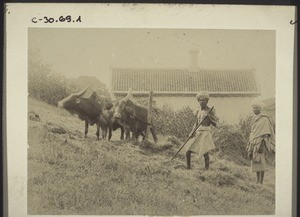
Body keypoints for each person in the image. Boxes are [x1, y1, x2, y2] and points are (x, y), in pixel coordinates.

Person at [185, 91, 218, 170]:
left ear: (207, 101)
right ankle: (188, 167)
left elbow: (215, 124)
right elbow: (196, 123)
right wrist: (191, 132)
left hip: (206, 133)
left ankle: (207, 169)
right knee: (188, 150)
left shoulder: (211, 111)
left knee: (205, 152)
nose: (201, 102)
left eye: (203, 100)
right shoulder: (198, 111)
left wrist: (209, 118)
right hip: (198, 132)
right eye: (200, 100)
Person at [246, 97, 275, 184]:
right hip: (253, 142)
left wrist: (262, 145)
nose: (255, 109)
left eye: (257, 108)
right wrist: (250, 142)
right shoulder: (254, 118)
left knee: (261, 162)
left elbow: (266, 133)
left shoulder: (264, 119)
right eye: (254, 108)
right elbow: (252, 132)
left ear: (260, 108)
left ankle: (261, 181)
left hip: (260, 143)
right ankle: (257, 180)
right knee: (255, 162)